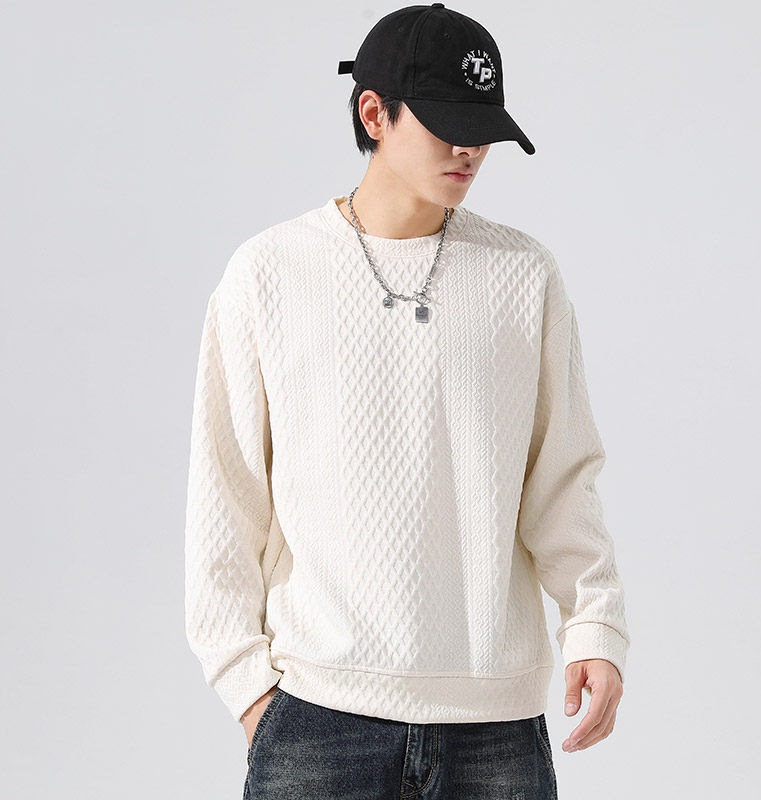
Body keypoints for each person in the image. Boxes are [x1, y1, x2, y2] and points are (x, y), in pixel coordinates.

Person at [184, 4, 630, 798]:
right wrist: (248, 689)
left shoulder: (524, 275)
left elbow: (562, 476)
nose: (470, 150)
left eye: (483, 129)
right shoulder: (269, 274)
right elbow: (226, 491)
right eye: (447, 125)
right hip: (318, 716)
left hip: (495, 728)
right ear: (374, 114)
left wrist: (593, 624)